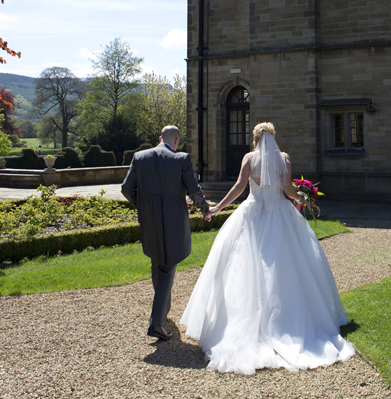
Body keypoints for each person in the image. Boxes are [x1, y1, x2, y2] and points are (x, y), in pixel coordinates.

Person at [180, 122, 355, 374]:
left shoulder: (249, 158)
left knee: (242, 267)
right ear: (273, 138)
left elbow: (239, 188)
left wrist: (218, 207)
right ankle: (290, 321)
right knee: (289, 266)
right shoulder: (283, 158)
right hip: (280, 214)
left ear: (255, 140)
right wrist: (304, 198)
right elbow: (287, 190)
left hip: (252, 214)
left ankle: (240, 325)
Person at [121, 125, 210, 342]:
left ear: (159, 138)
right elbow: (193, 189)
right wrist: (205, 208)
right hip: (173, 222)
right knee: (167, 268)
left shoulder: (139, 157)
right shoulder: (181, 159)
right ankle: (157, 323)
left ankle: (163, 308)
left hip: (148, 219)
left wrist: (141, 204)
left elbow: (126, 188)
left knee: (157, 262)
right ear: (177, 141)